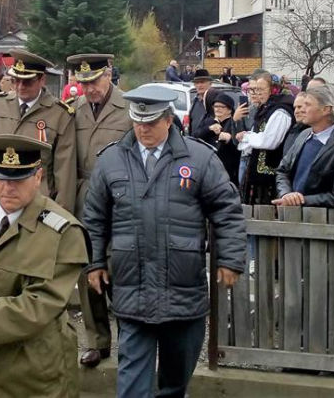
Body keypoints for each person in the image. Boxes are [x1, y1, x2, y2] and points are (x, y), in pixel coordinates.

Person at [83, 84, 246, 398]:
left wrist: (230, 259)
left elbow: (227, 210)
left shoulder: (199, 159)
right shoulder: (111, 160)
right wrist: (94, 263)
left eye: (152, 121)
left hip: (183, 291)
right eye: (138, 121)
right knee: (132, 384)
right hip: (132, 288)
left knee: (175, 382)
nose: (143, 128)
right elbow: (94, 218)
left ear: (169, 120)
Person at [0, 134, 88, 398]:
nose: (7, 188)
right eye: (0, 178)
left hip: (31, 370)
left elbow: (38, 306)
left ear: (38, 177)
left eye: (18, 179)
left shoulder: (63, 232)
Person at [66, 53, 133, 368]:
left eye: (93, 81)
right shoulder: (74, 110)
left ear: (108, 75)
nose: (88, 88)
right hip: (84, 198)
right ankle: (96, 341)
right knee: (87, 269)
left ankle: (130, 340)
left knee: (119, 266)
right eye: (83, 83)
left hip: (120, 199)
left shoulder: (129, 109)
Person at [0, 49, 78, 212]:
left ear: (42, 79)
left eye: (28, 81)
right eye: (16, 80)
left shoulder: (60, 114)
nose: (20, 87)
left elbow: (65, 173)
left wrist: (59, 214)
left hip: (36, 202)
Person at [274, 84, 334, 208]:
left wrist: (301, 200)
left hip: (328, 222)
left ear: (326, 109)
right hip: (293, 216)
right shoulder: (303, 136)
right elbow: (282, 170)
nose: (302, 109)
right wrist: (286, 194)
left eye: (308, 104)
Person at [238, 73, 295, 204]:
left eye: (261, 89)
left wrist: (247, 137)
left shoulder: (281, 111)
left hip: (269, 176)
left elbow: (270, 141)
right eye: (255, 89)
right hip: (258, 174)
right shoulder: (267, 108)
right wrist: (246, 137)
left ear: (274, 89)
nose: (257, 93)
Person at [195, 92, 241, 186]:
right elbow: (195, 136)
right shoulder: (208, 121)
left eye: (221, 106)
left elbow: (240, 145)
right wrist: (209, 129)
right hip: (207, 166)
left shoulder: (235, 123)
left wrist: (230, 139)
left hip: (227, 168)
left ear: (229, 110)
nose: (217, 109)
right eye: (215, 106)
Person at [187, 69, 218, 136]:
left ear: (210, 83)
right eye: (197, 83)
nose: (199, 85)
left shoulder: (216, 101)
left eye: (202, 82)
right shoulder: (194, 101)